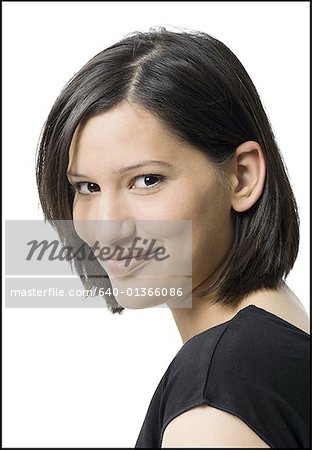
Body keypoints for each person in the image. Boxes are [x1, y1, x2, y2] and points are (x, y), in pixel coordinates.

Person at [36, 27, 310, 448]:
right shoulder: (276, 344)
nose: (107, 224)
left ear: (242, 176)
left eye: (147, 180)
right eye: (86, 187)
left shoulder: (213, 396)